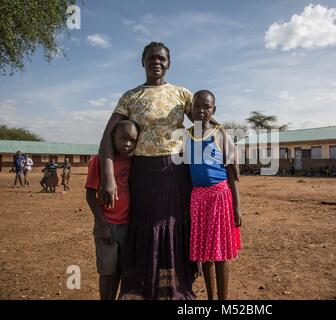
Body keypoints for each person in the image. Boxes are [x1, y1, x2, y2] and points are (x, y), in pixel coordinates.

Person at [98, 42, 202, 300]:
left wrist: (226, 149)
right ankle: (144, 287)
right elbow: (108, 136)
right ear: (142, 62)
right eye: (151, 57)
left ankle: (174, 288)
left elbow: (205, 123)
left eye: (162, 58)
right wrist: (108, 177)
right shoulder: (131, 96)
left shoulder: (182, 94)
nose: (156, 61)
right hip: (142, 174)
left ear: (169, 63)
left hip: (177, 173)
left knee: (174, 225)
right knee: (145, 226)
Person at [185, 90, 242, 300]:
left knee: (220, 256)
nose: (201, 111)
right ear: (190, 109)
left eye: (206, 107)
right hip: (198, 199)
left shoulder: (220, 134)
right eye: (197, 106)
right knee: (205, 255)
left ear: (213, 110)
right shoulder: (186, 136)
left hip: (220, 198)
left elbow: (231, 173)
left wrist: (237, 206)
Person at [86, 120, 139, 300]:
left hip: (126, 226)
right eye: (123, 138)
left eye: (132, 140)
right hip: (107, 225)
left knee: (119, 269)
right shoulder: (100, 161)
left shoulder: (133, 161)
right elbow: (90, 195)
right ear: (112, 138)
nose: (127, 144)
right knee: (107, 271)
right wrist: (103, 226)